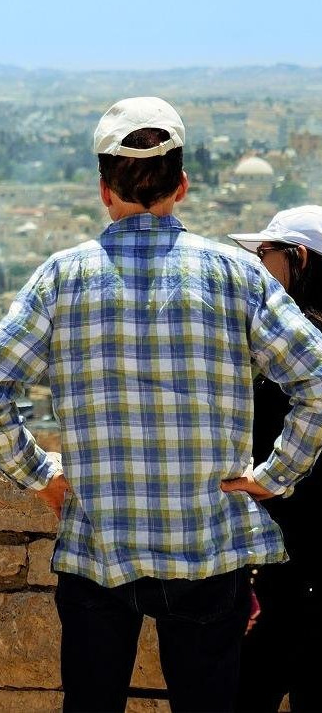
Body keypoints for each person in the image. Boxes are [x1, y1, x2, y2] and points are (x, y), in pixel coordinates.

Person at [0, 97, 322, 712]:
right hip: (208, 545)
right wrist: (275, 477)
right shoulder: (236, 275)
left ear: (105, 189)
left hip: (98, 544)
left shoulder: (62, 277)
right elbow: (316, 381)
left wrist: (40, 474)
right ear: (181, 184)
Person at [228, 205, 322, 712]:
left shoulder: (280, 362)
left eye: (265, 254)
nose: (258, 268)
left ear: (299, 259)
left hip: (278, 581)